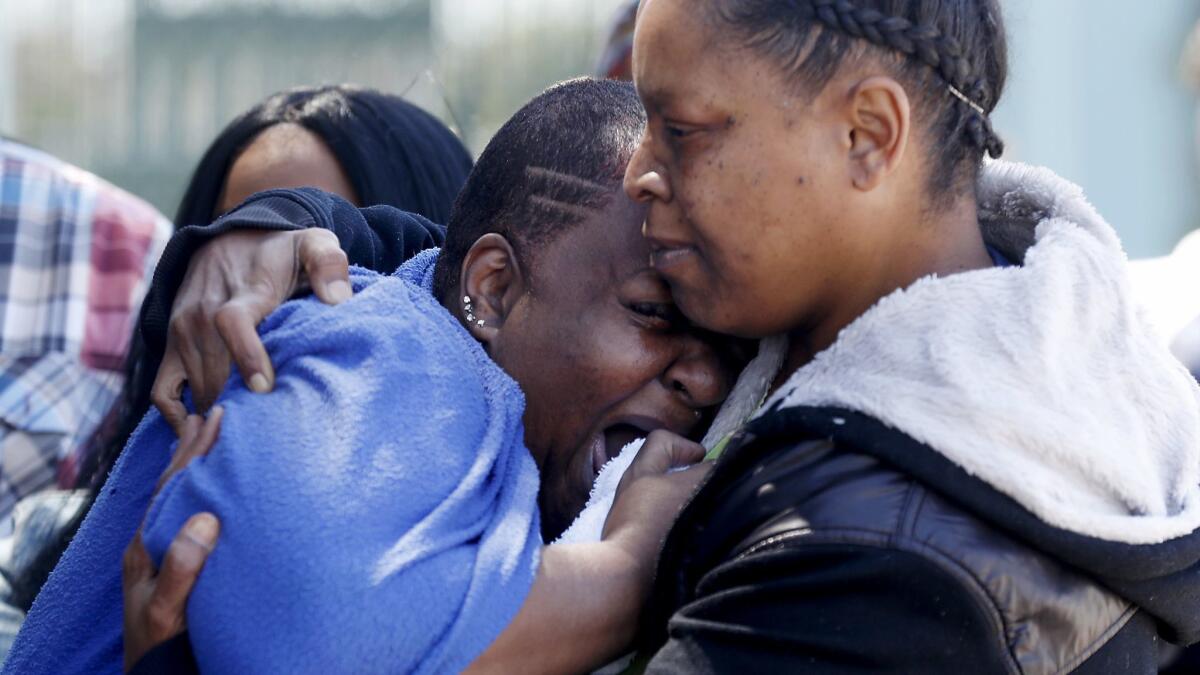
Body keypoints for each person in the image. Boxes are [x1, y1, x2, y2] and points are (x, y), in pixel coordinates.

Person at [6, 78, 740, 675]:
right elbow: (323, 648)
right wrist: (630, 566)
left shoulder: (489, 418)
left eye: (729, 347)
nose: (707, 381)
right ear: (492, 289)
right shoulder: (383, 344)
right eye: (652, 312)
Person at [613, 0, 1200, 671]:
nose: (639, 174)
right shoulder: (1072, 406)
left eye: (681, 130)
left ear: (868, 134)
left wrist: (619, 575)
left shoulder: (861, 557)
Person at [0, 86, 473, 665]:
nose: (239, 306)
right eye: (229, 247)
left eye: (303, 263)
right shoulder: (33, 556)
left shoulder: (501, 564)